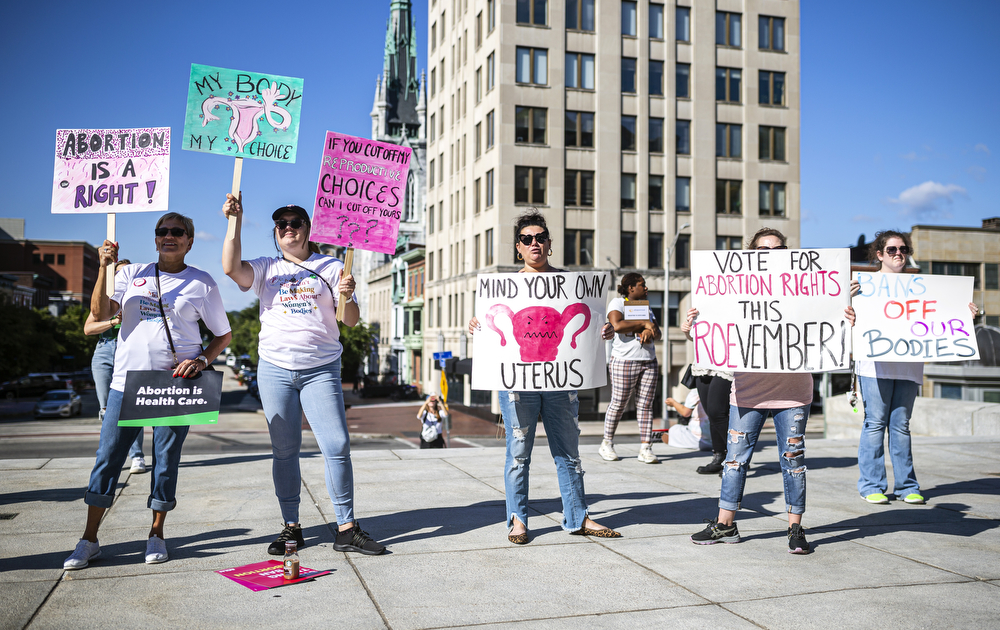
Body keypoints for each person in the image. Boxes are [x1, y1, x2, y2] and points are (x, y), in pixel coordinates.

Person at [64, 213, 232, 570]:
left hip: (175, 385)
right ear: (155, 239)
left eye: (177, 232)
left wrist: (202, 361)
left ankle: (156, 534)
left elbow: (223, 335)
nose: (168, 236)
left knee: (166, 463)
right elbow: (99, 313)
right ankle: (89, 538)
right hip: (126, 384)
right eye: (162, 231)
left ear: (189, 240)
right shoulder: (129, 273)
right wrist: (103, 269)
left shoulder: (202, 283)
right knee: (108, 459)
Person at [222, 194, 385, 556]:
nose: (288, 229)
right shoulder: (266, 268)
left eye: (295, 223)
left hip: (321, 370)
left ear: (309, 229)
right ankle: (291, 528)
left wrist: (350, 295)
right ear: (275, 234)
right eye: (281, 225)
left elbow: (351, 320)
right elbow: (231, 268)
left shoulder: (331, 268)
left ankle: (346, 528)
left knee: (337, 446)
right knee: (285, 450)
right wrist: (234, 221)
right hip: (275, 370)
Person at [687, 228, 855, 555]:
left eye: (777, 249)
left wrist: (846, 311)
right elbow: (715, 334)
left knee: (793, 459)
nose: (770, 254)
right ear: (750, 254)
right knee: (735, 460)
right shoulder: (734, 290)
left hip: (794, 394)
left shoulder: (807, 288)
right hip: (748, 392)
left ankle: (795, 528)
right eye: (763, 249)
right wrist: (694, 324)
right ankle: (726, 525)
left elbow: (833, 323)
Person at [468, 210, 620, 544]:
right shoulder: (504, 288)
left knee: (568, 451)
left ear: (549, 244)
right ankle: (517, 520)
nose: (534, 243)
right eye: (526, 239)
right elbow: (491, 322)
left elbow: (593, 318)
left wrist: (602, 329)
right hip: (517, 386)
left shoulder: (569, 284)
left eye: (540, 238)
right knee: (518, 451)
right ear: (518, 248)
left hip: (561, 383)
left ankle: (578, 516)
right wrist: (477, 326)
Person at [850, 230, 978, 505]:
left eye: (904, 249)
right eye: (893, 250)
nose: (899, 254)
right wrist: (846, 302)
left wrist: (965, 314)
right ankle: (871, 485)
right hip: (875, 366)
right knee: (875, 423)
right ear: (879, 255)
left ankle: (907, 486)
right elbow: (844, 321)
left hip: (908, 366)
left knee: (901, 425)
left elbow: (944, 318)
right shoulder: (864, 287)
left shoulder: (923, 289)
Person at [84, 259, 148, 475]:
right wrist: (113, 321)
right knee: (106, 409)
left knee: (131, 407)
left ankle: (137, 455)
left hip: (129, 351)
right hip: (104, 350)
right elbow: (88, 328)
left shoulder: (139, 298)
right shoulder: (105, 302)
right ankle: (110, 455)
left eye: (126, 273)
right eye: (117, 273)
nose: (122, 276)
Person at [599, 272, 662, 464]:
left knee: (645, 405)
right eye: (642, 285)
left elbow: (657, 334)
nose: (646, 288)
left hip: (648, 360)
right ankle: (607, 443)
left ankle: (646, 447)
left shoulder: (647, 306)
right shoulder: (618, 303)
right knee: (618, 403)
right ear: (630, 288)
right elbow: (617, 325)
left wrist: (649, 328)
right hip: (624, 361)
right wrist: (643, 324)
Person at [680, 309, 734, 474]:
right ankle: (719, 456)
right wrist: (689, 329)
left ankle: (736, 457)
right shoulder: (703, 300)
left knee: (718, 411)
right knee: (711, 412)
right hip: (703, 363)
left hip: (726, 362)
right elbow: (696, 337)